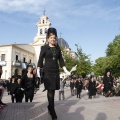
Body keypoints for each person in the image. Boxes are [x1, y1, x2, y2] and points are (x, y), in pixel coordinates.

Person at [37, 27, 70, 120]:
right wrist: (38, 68)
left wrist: (65, 69)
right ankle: (53, 111)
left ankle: (50, 107)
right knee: (50, 90)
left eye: (54, 38)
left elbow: (61, 60)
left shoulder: (57, 49)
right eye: (51, 37)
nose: (53, 39)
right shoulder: (44, 48)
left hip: (55, 71)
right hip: (47, 71)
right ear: (48, 38)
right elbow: (40, 59)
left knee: (52, 91)